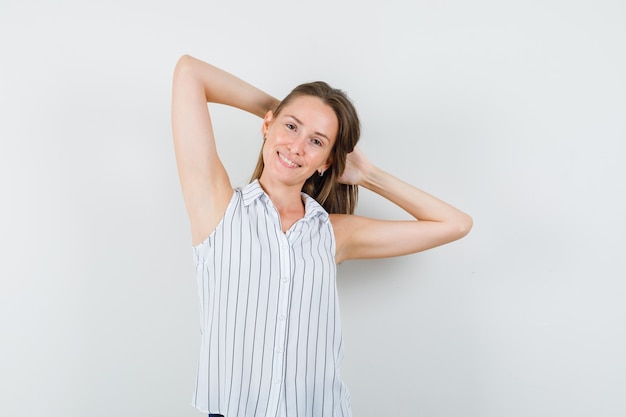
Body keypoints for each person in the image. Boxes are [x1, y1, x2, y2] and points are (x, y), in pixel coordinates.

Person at [171, 54, 472, 417]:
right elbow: (190, 72)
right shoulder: (217, 207)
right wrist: (280, 109)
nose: (297, 147)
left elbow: (455, 224)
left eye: (317, 141)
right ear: (267, 125)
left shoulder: (334, 233)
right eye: (291, 127)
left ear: (327, 161)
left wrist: (369, 174)